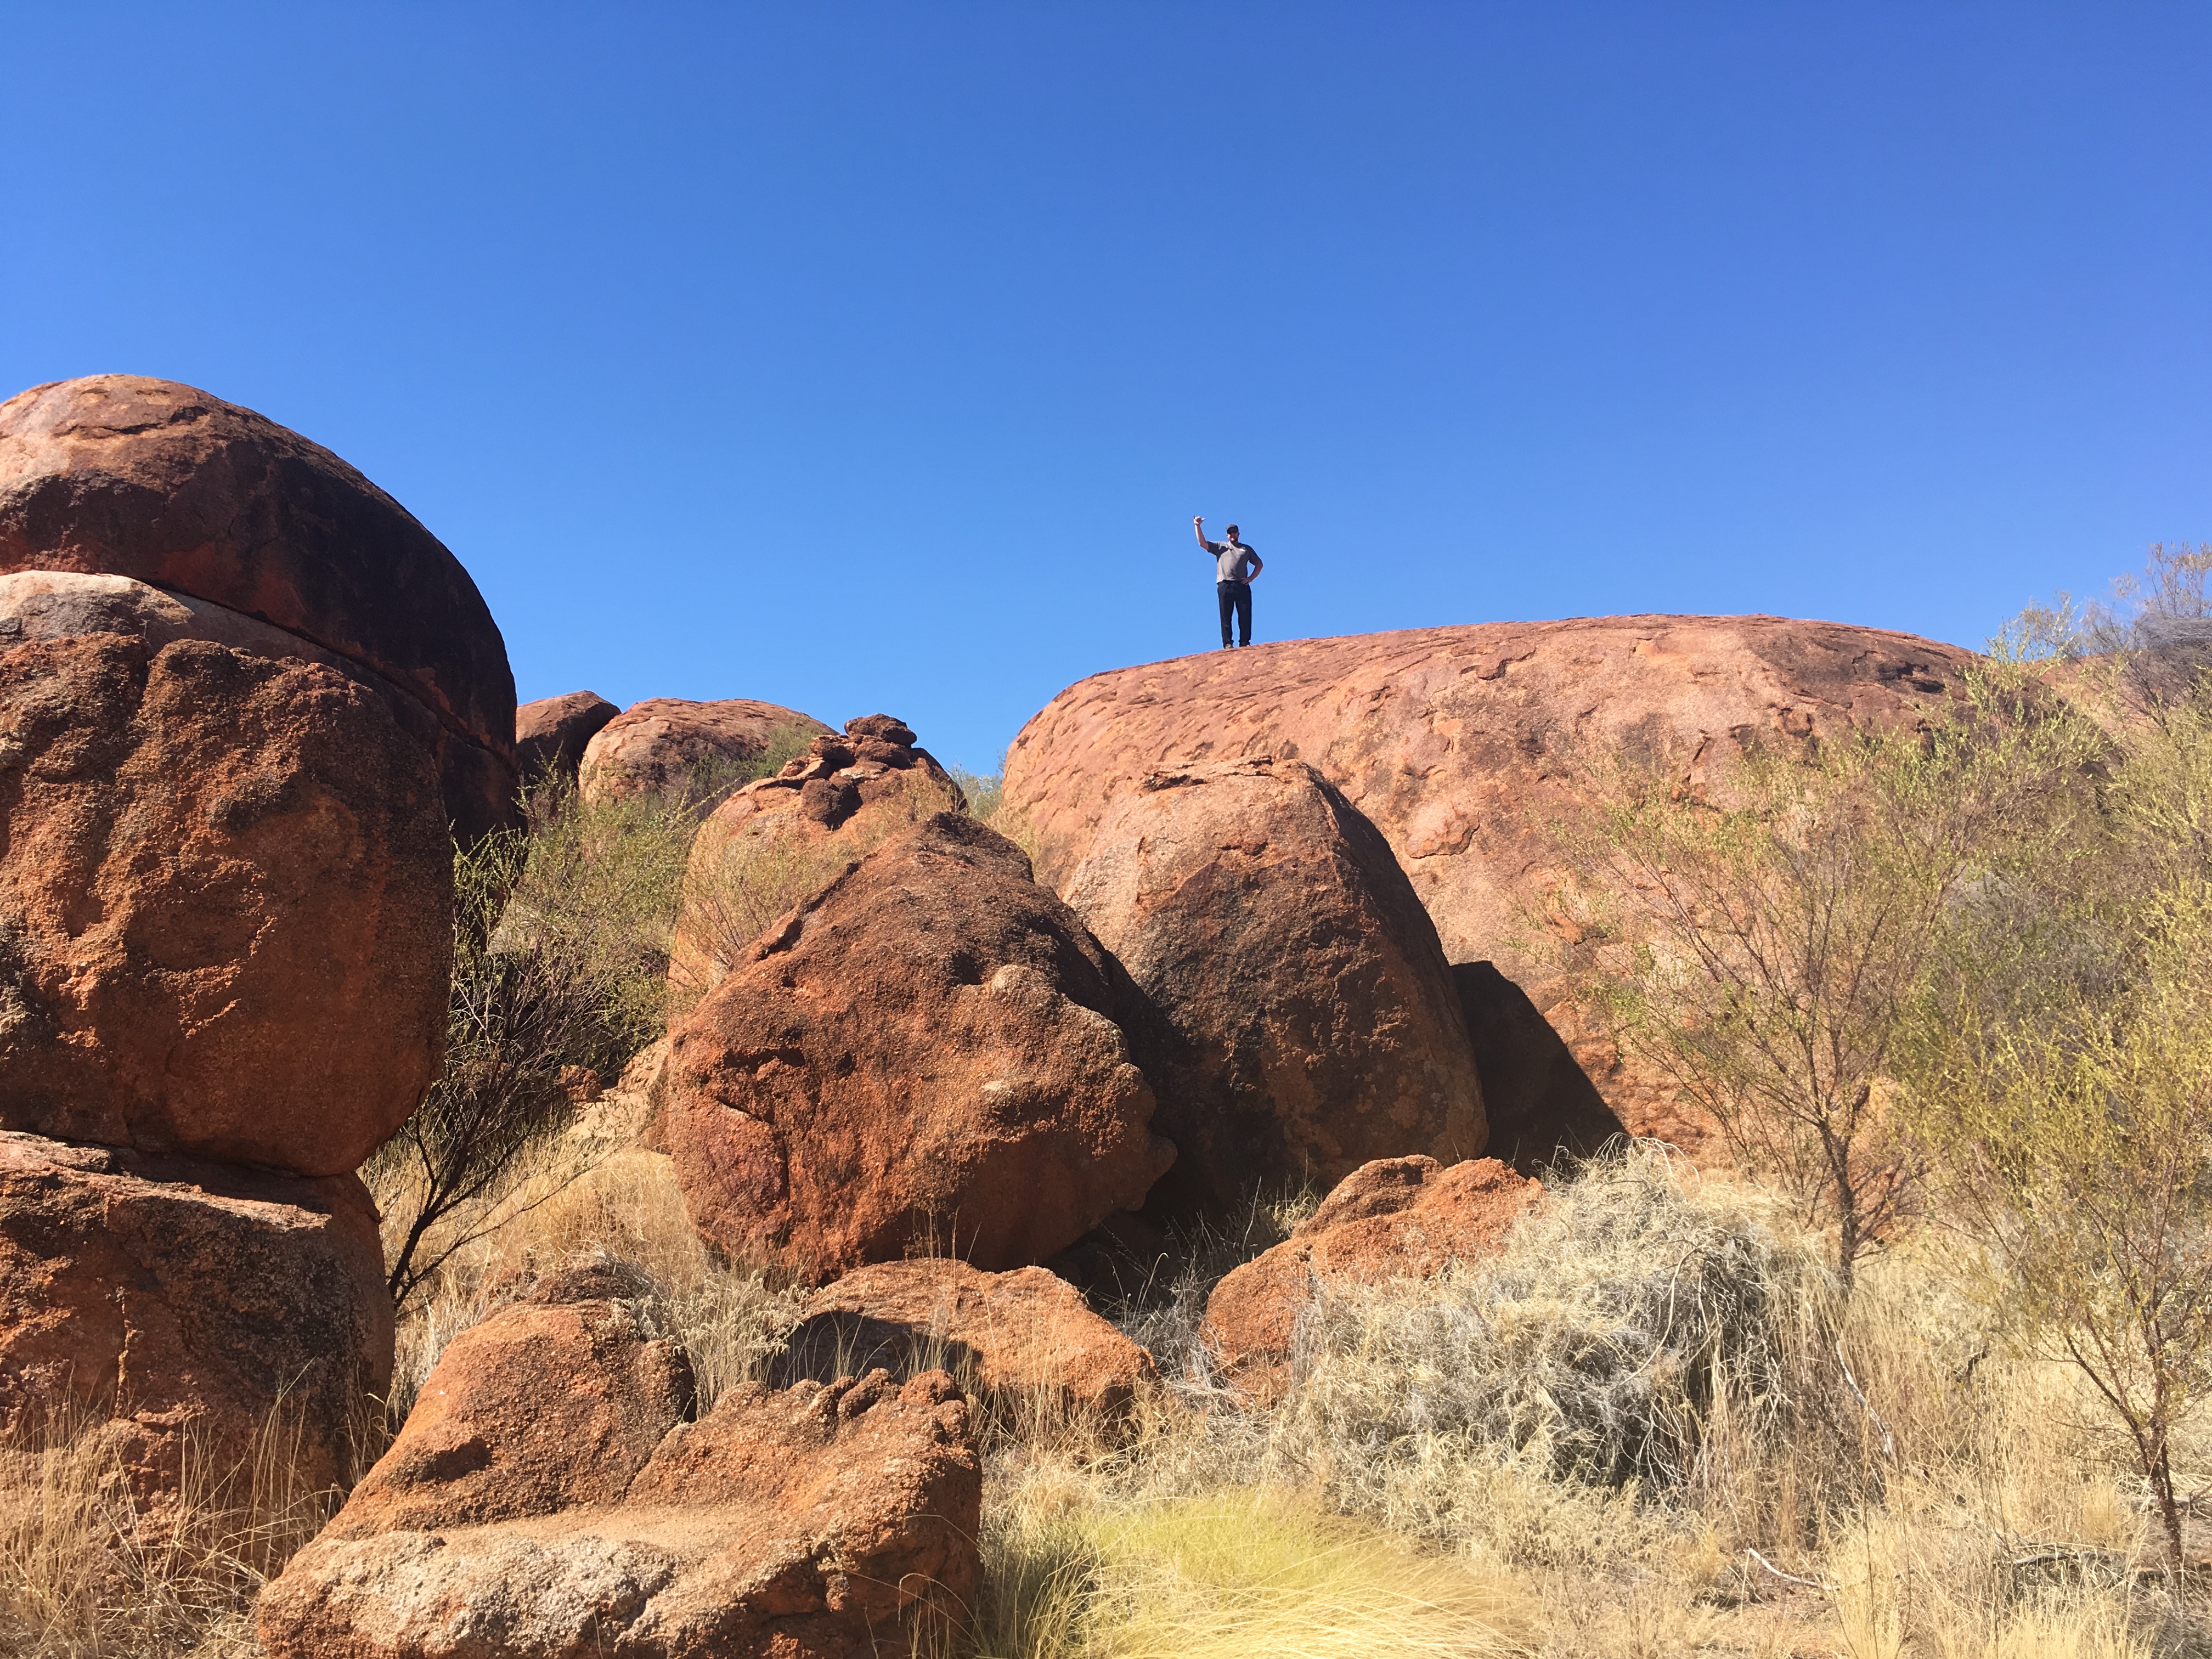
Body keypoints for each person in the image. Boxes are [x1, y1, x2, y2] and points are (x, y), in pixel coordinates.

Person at [1193, 516, 1263, 648]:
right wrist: (1197, 526)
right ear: (1227, 535)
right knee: (1226, 616)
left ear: (1238, 534)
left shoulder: (1246, 549)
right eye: (1230, 533)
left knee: (1245, 615)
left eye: (1234, 532)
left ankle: (1245, 643)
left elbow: (1259, 564)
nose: (1232, 535)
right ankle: (1228, 644)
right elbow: (1203, 544)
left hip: (1242, 585)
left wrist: (1251, 578)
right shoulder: (1221, 547)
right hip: (1225, 584)